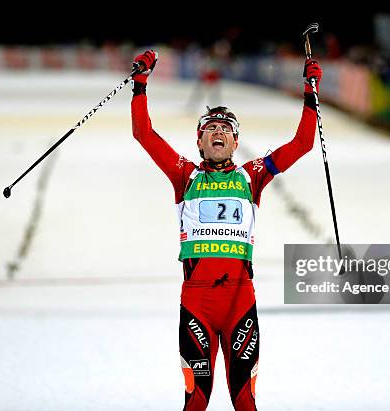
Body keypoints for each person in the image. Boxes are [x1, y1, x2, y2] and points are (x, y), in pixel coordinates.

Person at [130, 49, 321, 410]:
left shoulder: (253, 175)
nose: (218, 133)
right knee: (196, 400)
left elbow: (302, 144)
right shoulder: (184, 174)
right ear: (199, 142)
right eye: (210, 129)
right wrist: (140, 83)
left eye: (226, 130)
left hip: (239, 299)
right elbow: (144, 134)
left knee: (245, 401)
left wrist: (310, 92)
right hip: (197, 301)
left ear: (236, 142)